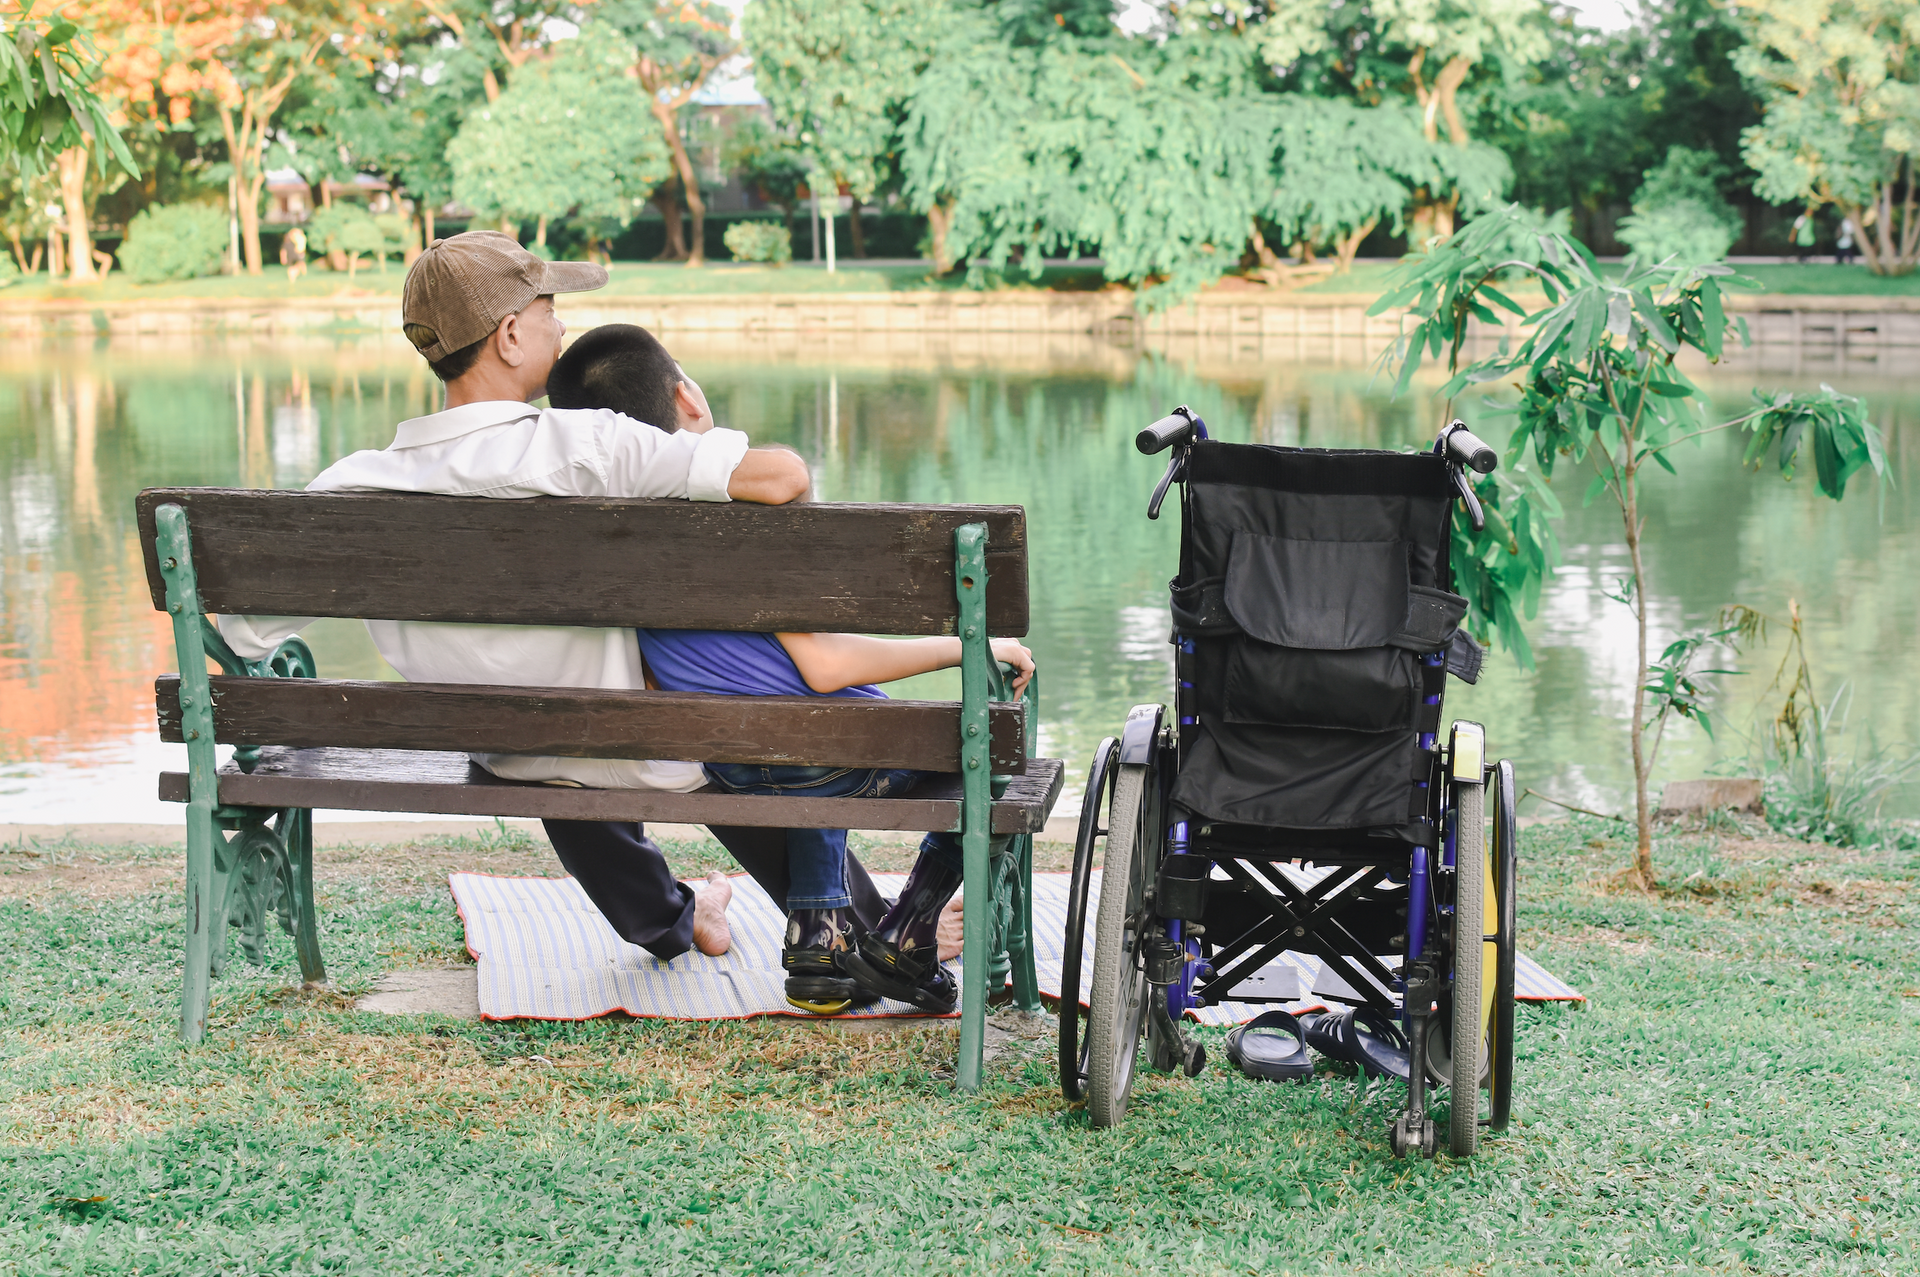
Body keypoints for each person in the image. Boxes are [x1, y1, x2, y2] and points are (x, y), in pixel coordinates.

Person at [216, 231, 819, 965]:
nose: (562, 329)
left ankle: (676, 917)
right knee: (698, 711)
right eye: (550, 310)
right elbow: (782, 478)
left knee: (553, 734)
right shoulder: (592, 443)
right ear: (508, 336)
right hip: (648, 748)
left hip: (506, 751)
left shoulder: (354, 485)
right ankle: (876, 922)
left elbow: (243, 628)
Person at [547, 325, 1032, 1014]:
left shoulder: (596, 526)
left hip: (726, 762)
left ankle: (818, 945)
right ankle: (904, 932)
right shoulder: (744, 515)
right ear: (685, 395)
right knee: (998, 755)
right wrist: (972, 645)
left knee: (806, 728)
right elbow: (827, 664)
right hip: (820, 751)